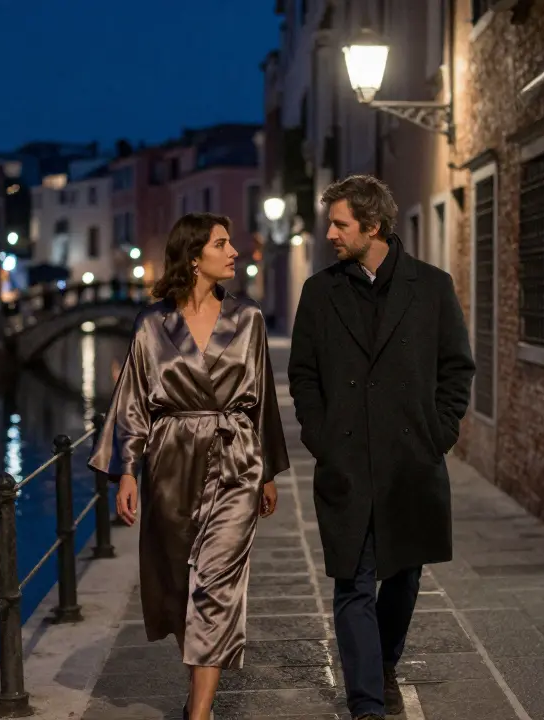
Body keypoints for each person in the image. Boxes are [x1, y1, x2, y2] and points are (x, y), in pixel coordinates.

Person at [288, 175, 475, 720]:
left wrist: (438, 432)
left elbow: (456, 369)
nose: (329, 234)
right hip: (345, 461)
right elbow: (303, 375)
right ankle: (366, 702)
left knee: (405, 573)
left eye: (340, 224)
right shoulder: (320, 292)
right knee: (352, 579)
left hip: (410, 461)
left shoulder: (432, 287)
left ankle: (383, 660)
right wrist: (319, 435)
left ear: (372, 227)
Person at [90, 212, 290, 720]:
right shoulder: (152, 324)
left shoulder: (248, 320)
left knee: (217, 582)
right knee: (180, 586)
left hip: (236, 458)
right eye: (222, 244)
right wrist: (128, 471)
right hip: (170, 460)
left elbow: (262, 398)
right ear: (194, 256)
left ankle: (199, 714)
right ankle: (196, 688)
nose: (234, 252)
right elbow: (133, 400)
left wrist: (265, 470)